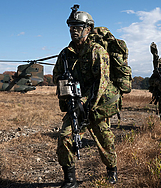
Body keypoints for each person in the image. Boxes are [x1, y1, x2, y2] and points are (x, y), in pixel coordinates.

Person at [53, 5, 120, 187]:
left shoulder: (97, 51)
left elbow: (102, 82)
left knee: (105, 142)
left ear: (88, 29)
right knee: (65, 138)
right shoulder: (65, 54)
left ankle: (111, 170)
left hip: (96, 106)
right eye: (71, 27)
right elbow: (56, 76)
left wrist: (85, 102)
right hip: (74, 106)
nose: (73, 30)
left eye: (78, 27)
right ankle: (70, 179)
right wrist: (66, 88)